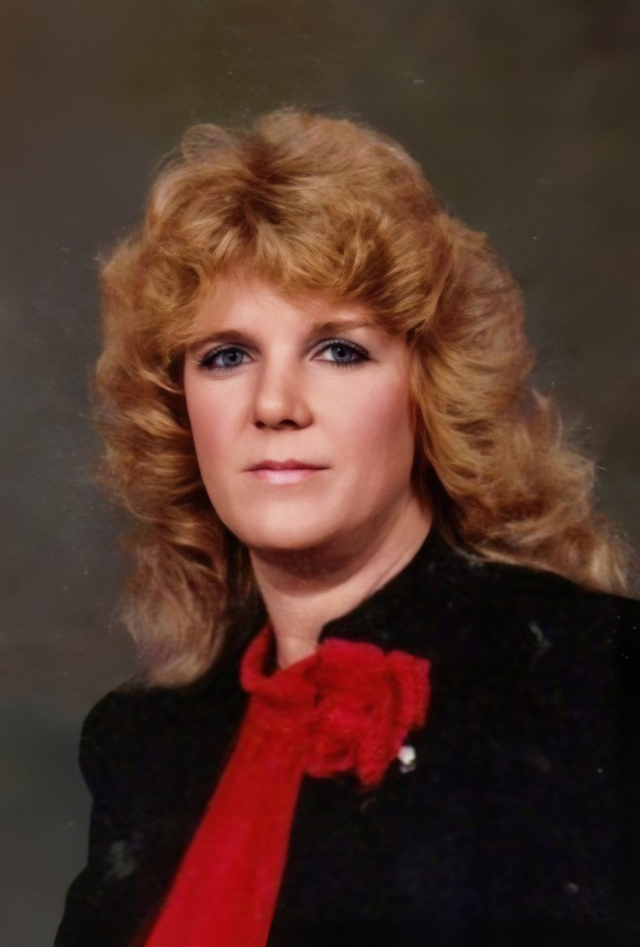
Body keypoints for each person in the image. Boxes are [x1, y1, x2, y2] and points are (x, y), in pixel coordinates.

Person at [54, 108, 640, 947]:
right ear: (179, 408)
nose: (274, 404)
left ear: (430, 389)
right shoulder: (138, 742)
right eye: (226, 355)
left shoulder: (595, 675)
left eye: (339, 350)